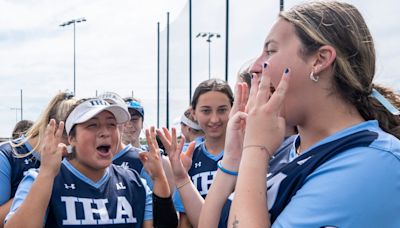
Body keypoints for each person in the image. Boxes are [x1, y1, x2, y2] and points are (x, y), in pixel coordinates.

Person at [206, 1, 400, 227]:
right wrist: (234, 157)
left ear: (320, 60)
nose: (254, 67)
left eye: (270, 51)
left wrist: (254, 150)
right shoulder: (287, 150)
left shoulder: (372, 162)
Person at [4, 98, 177, 227]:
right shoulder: (40, 179)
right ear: (72, 138)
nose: (105, 132)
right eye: (92, 125)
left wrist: (160, 179)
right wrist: (47, 173)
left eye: (111, 125)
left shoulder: (134, 182)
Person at [163, 79, 233, 227]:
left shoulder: (247, 155)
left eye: (222, 110)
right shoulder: (188, 158)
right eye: (206, 111)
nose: (214, 119)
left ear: (232, 109)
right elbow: (185, 220)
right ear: (193, 113)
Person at [0, 92, 77, 227]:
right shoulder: (8, 155)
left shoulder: (75, 157)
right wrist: (40, 183)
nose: (74, 143)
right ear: (51, 126)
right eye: (70, 134)